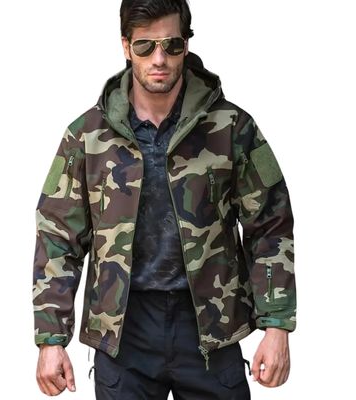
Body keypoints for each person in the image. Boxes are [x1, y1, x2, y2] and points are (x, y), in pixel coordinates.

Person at [33, 0, 296, 398]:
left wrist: (276, 326)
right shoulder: (86, 136)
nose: (160, 59)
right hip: (124, 332)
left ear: (186, 46)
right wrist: (51, 339)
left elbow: (271, 225)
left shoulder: (233, 128)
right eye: (145, 46)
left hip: (211, 328)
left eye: (172, 45)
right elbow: (57, 234)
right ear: (126, 46)